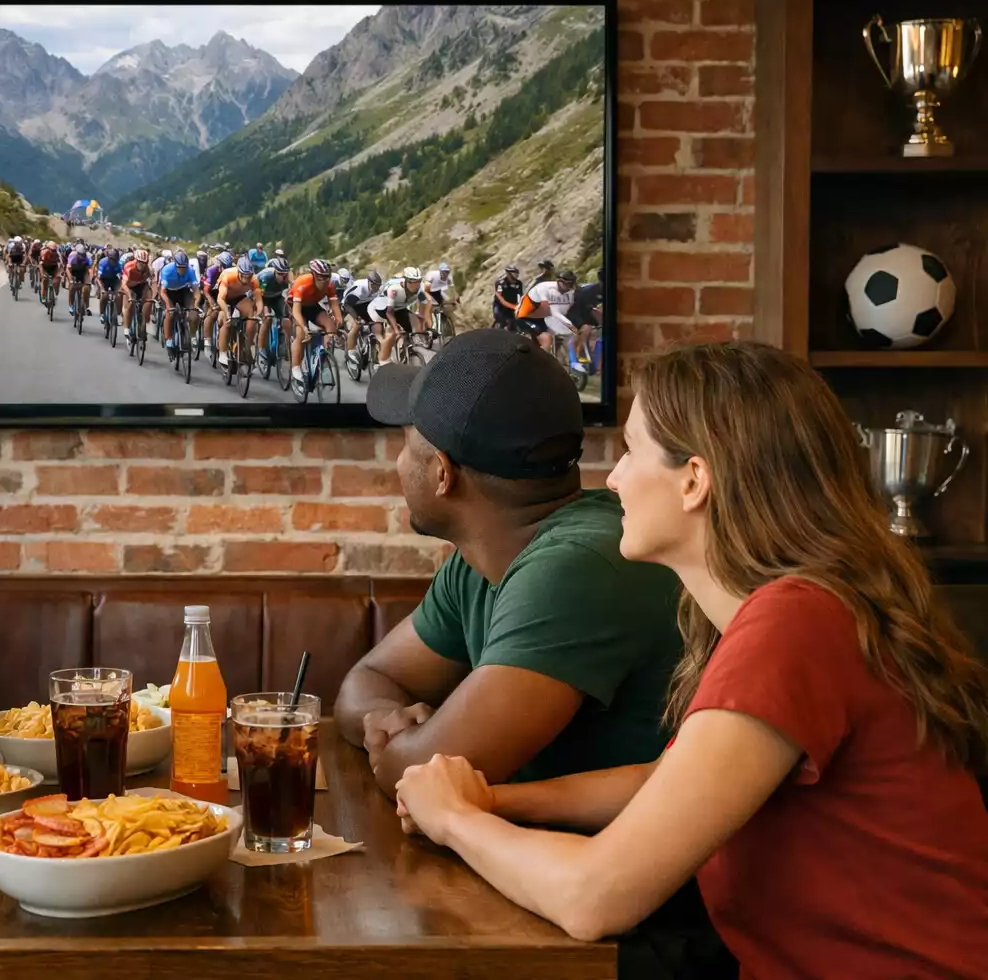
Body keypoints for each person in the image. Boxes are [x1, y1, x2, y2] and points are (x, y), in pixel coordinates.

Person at [394, 341, 988, 975]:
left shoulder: (795, 626)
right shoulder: (788, 612)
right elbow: (665, 782)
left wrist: (453, 817)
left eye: (631, 451)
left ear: (694, 481)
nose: (612, 479)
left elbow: (593, 898)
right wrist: (496, 801)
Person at [341, 328, 684, 797]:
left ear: (442, 474)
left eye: (404, 443)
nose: (398, 463)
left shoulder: (577, 568)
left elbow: (425, 774)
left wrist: (402, 748)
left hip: (603, 847)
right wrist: (384, 718)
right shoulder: (483, 558)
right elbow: (370, 681)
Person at [287, 259, 342, 390]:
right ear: (314, 275)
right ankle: (296, 368)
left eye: (327, 277)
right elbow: (296, 311)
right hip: (296, 306)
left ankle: (323, 359)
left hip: (312, 306)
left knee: (330, 327)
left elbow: (334, 305)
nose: (324, 281)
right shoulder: (303, 283)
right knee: (301, 334)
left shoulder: (330, 285)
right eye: (321, 277)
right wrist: (304, 327)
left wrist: (339, 319)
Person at [211, 258, 260, 373]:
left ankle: (244, 346)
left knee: (251, 313)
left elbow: (259, 301)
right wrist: (227, 313)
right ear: (239, 272)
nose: (246, 279)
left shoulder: (254, 279)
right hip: (224, 297)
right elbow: (221, 299)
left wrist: (257, 315)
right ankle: (223, 352)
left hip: (239, 297)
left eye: (249, 276)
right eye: (244, 276)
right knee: (226, 322)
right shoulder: (228, 276)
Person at [366, 267, 421, 368]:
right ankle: (381, 361)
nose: (415, 285)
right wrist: (396, 329)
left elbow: (424, 303)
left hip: (398, 308)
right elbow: (389, 313)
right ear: (406, 281)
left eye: (418, 281)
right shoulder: (394, 290)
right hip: (380, 308)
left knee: (408, 331)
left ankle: (404, 351)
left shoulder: (420, 289)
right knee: (390, 333)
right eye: (412, 282)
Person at [522, 270, 578, 356]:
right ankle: (540, 360)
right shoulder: (543, 285)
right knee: (547, 338)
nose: (569, 287)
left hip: (542, 316)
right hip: (529, 316)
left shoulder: (564, 292)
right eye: (568, 284)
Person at [342, 269, 384, 372]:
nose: (375, 289)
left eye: (377, 286)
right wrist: (356, 318)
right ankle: (351, 352)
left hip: (366, 305)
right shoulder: (360, 288)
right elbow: (347, 304)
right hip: (350, 306)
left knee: (378, 326)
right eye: (373, 286)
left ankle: (376, 358)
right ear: (368, 282)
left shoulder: (379, 290)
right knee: (357, 325)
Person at [159, 250, 200, 351]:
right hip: (168, 291)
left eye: (184, 268)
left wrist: (196, 305)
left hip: (183, 290)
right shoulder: (167, 270)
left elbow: (196, 291)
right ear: (175, 265)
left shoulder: (190, 270)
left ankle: (192, 335)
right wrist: (168, 305)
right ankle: (168, 339)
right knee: (170, 313)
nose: (182, 270)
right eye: (180, 268)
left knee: (194, 314)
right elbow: (163, 292)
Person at [493, 264, 523, 332]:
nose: (516, 275)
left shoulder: (519, 283)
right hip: (500, 306)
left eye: (517, 273)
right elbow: (501, 299)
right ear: (508, 274)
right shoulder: (500, 283)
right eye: (514, 273)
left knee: (515, 324)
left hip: (512, 306)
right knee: (503, 321)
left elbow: (520, 296)